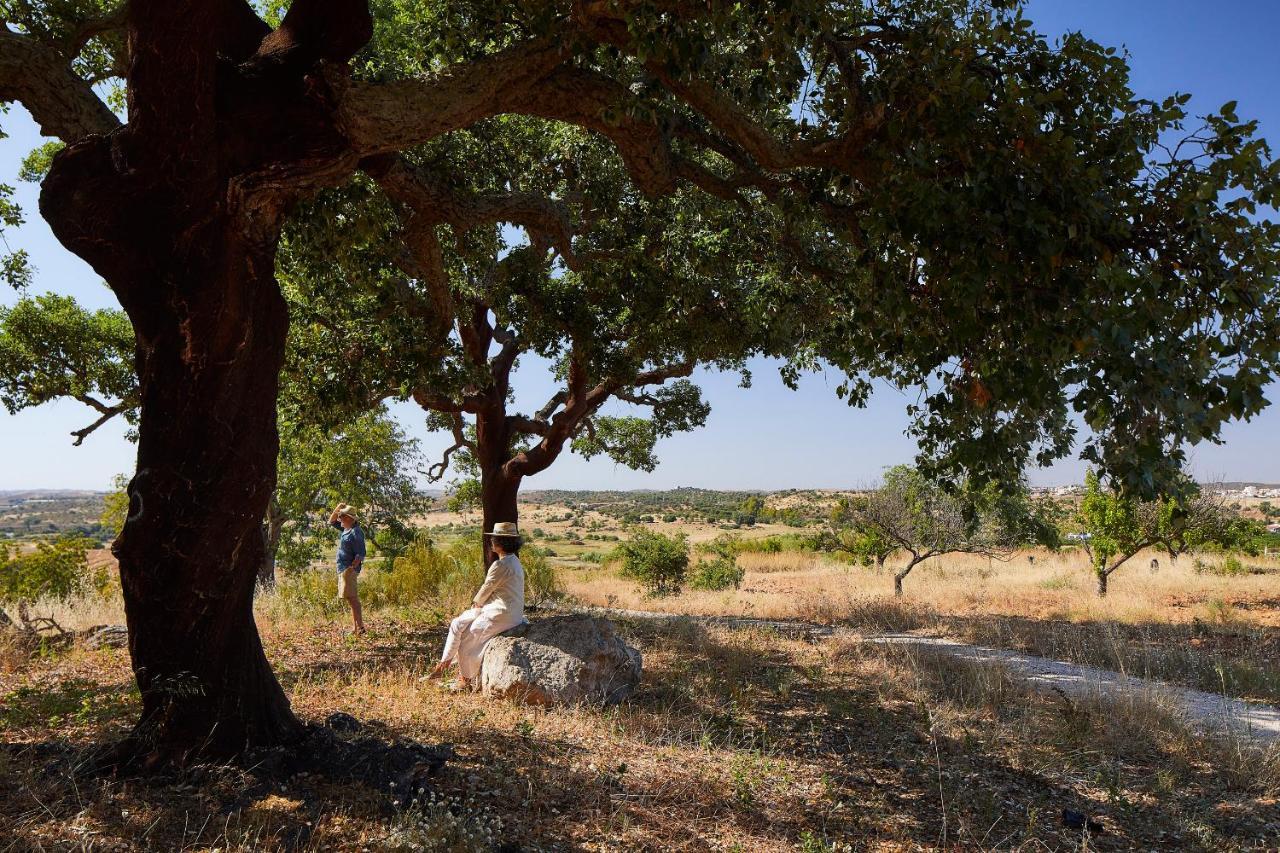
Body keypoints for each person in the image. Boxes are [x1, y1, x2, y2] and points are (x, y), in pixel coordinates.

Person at [428, 522, 526, 690]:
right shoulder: (514, 561)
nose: (491, 542)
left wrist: (476, 603)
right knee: (460, 625)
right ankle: (446, 666)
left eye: (494, 539)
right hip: (509, 612)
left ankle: (463, 679)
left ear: (500, 543)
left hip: (501, 613)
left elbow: (488, 587)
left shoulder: (501, 564)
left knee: (467, 636)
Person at [329, 502, 366, 635]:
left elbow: (361, 553)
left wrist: (352, 567)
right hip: (343, 568)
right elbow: (331, 521)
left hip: (348, 569)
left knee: (352, 598)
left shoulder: (356, 532)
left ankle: (359, 628)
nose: (340, 519)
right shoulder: (346, 528)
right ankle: (356, 628)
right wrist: (337, 508)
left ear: (350, 519)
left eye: (343, 516)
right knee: (350, 598)